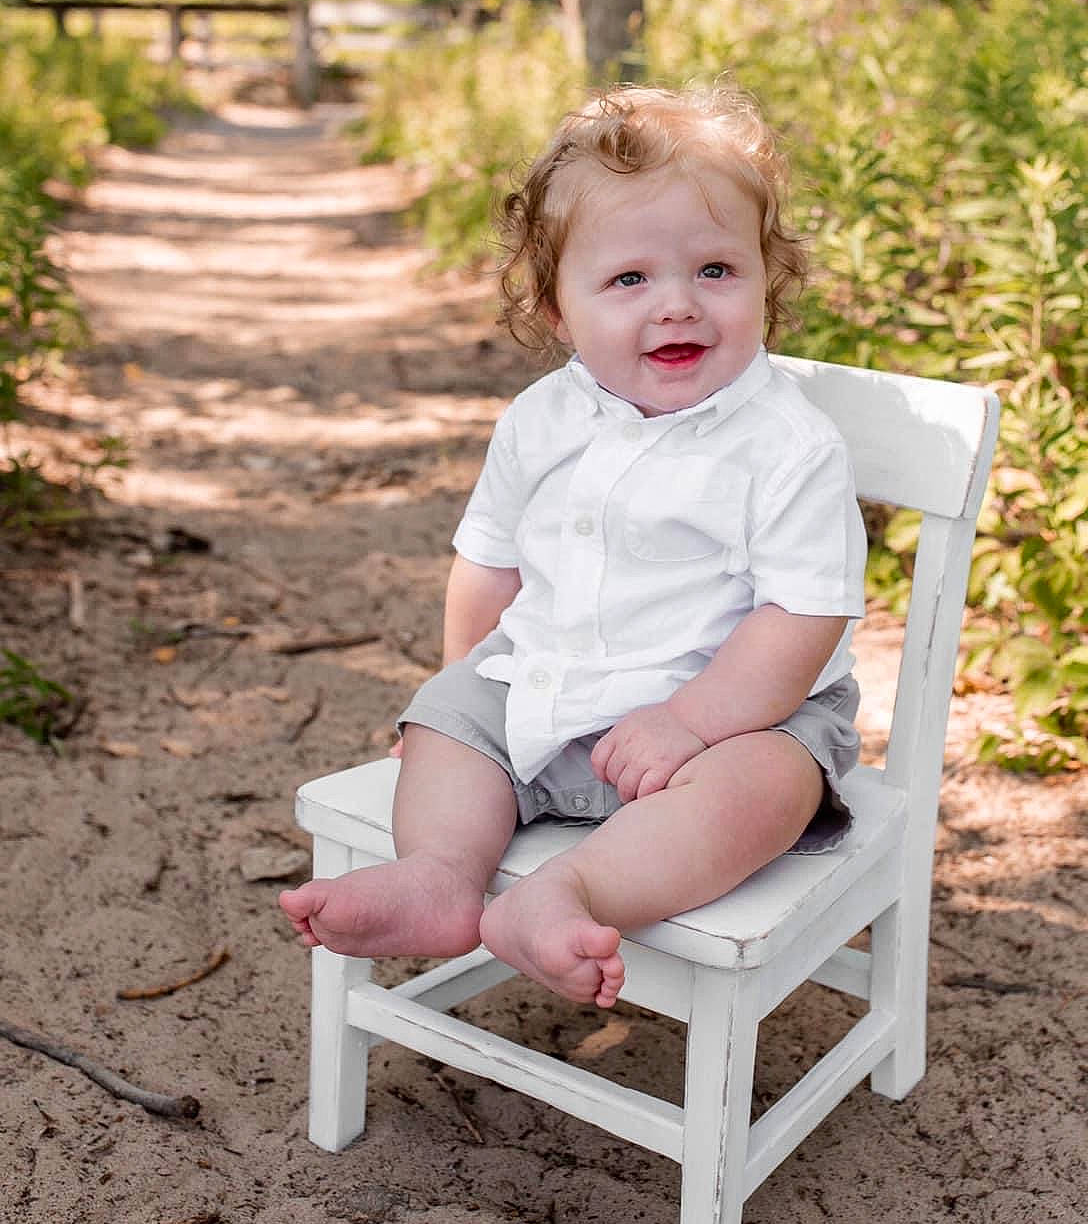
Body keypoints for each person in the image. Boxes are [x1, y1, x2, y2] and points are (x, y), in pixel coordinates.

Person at [280, 85, 867, 1009]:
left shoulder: (788, 446)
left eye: (716, 270)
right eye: (629, 281)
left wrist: (692, 722)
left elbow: (803, 615)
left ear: (767, 278)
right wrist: (460, 706)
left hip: (733, 712)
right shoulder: (541, 419)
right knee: (446, 715)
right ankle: (440, 873)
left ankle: (573, 892)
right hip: (549, 680)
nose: (677, 305)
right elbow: (490, 566)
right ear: (558, 311)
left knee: (771, 784)